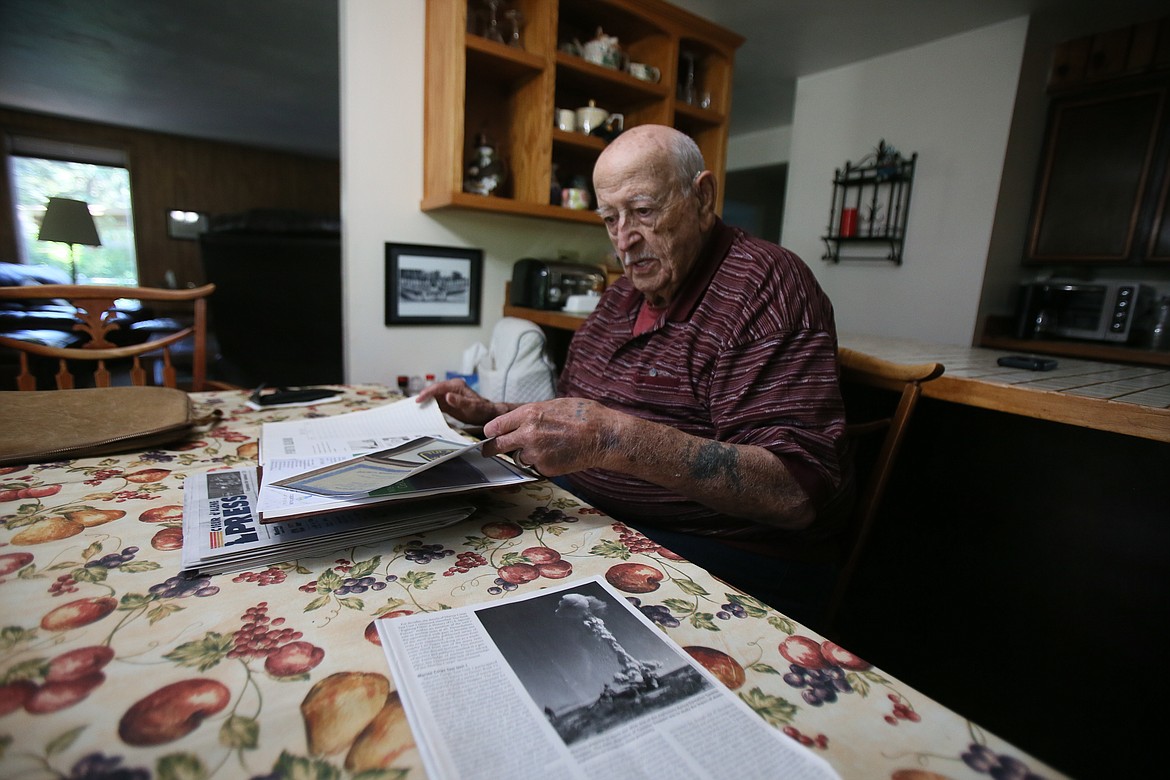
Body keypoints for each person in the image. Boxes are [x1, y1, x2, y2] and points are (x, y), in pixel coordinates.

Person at [418, 124, 848, 623]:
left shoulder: (767, 286)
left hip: (732, 556)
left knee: (523, 620)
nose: (625, 239)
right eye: (609, 218)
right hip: (606, 522)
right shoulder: (621, 297)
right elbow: (575, 424)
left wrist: (614, 440)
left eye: (644, 211)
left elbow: (795, 490)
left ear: (703, 196)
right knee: (446, 567)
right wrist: (493, 413)